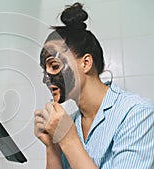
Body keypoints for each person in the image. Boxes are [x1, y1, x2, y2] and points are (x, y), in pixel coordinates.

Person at [34, 2, 154, 169]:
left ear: (86, 63)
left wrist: (68, 139)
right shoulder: (71, 123)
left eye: (54, 66)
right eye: (44, 71)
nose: (46, 79)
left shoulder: (137, 114)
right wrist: (52, 146)